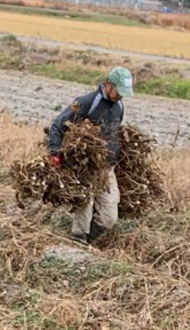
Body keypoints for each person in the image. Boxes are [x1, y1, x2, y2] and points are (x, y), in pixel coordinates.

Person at [47, 67, 134, 241]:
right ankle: (78, 241)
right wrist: (55, 153)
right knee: (84, 208)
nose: (120, 96)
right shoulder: (87, 102)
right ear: (108, 84)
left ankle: (90, 241)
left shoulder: (119, 106)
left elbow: (114, 133)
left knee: (109, 217)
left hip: (106, 168)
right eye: (118, 91)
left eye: (123, 93)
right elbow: (57, 125)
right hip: (85, 166)